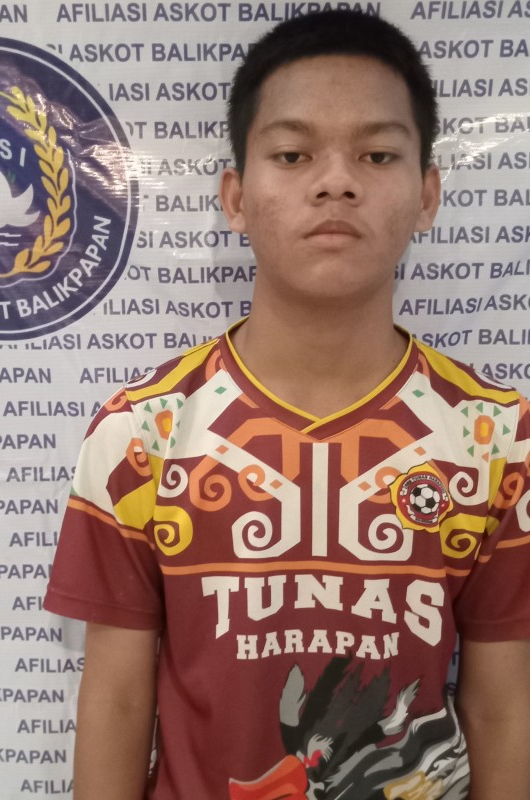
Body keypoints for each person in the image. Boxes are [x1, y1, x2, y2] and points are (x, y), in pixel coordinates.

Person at [44, 9, 530, 799]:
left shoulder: (497, 441)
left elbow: (503, 708)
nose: (335, 181)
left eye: (377, 154)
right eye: (292, 154)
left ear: (426, 194)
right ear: (235, 196)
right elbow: (117, 699)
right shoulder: (143, 436)